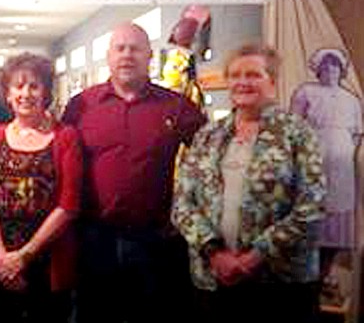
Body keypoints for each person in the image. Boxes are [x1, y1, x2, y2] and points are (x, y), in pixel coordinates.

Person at [62, 22, 206, 323]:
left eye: (135, 48)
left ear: (149, 55)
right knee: (94, 315)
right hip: (93, 238)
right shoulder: (81, 106)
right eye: (120, 48)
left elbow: (212, 156)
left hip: (154, 239)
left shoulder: (177, 106)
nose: (127, 55)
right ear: (109, 55)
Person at [172, 44, 326, 323]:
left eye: (253, 74)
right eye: (235, 75)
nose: (243, 82)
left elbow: (311, 206)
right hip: (213, 277)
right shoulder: (208, 135)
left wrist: (254, 257)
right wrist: (215, 253)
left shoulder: (297, 133)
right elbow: (182, 203)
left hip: (280, 282)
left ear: (272, 82)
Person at [0, 53, 83, 323]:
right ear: (8, 94)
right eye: (18, 86)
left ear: (46, 92)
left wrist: (24, 256)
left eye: (34, 86)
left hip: (47, 261)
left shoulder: (65, 137)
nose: (26, 93)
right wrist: (2, 257)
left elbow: (68, 205)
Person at [291, 49, 363, 261]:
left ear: (341, 71)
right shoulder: (306, 92)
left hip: (342, 156)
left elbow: (357, 134)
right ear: (318, 70)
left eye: (334, 67)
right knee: (315, 195)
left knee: (339, 199)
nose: (330, 71)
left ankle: (336, 255)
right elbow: (295, 126)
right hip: (315, 149)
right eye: (325, 67)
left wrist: (344, 150)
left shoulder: (351, 100)